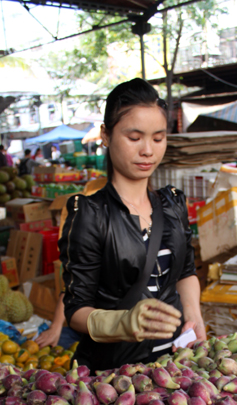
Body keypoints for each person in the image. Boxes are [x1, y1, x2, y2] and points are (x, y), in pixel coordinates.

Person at [59, 78, 205, 373]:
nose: (148, 150)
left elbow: (186, 272)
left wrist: (194, 316)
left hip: (174, 370)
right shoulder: (90, 213)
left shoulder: (173, 204)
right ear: (106, 135)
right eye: (134, 137)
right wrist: (123, 323)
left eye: (158, 138)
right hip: (115, 376)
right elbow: (76, 311)